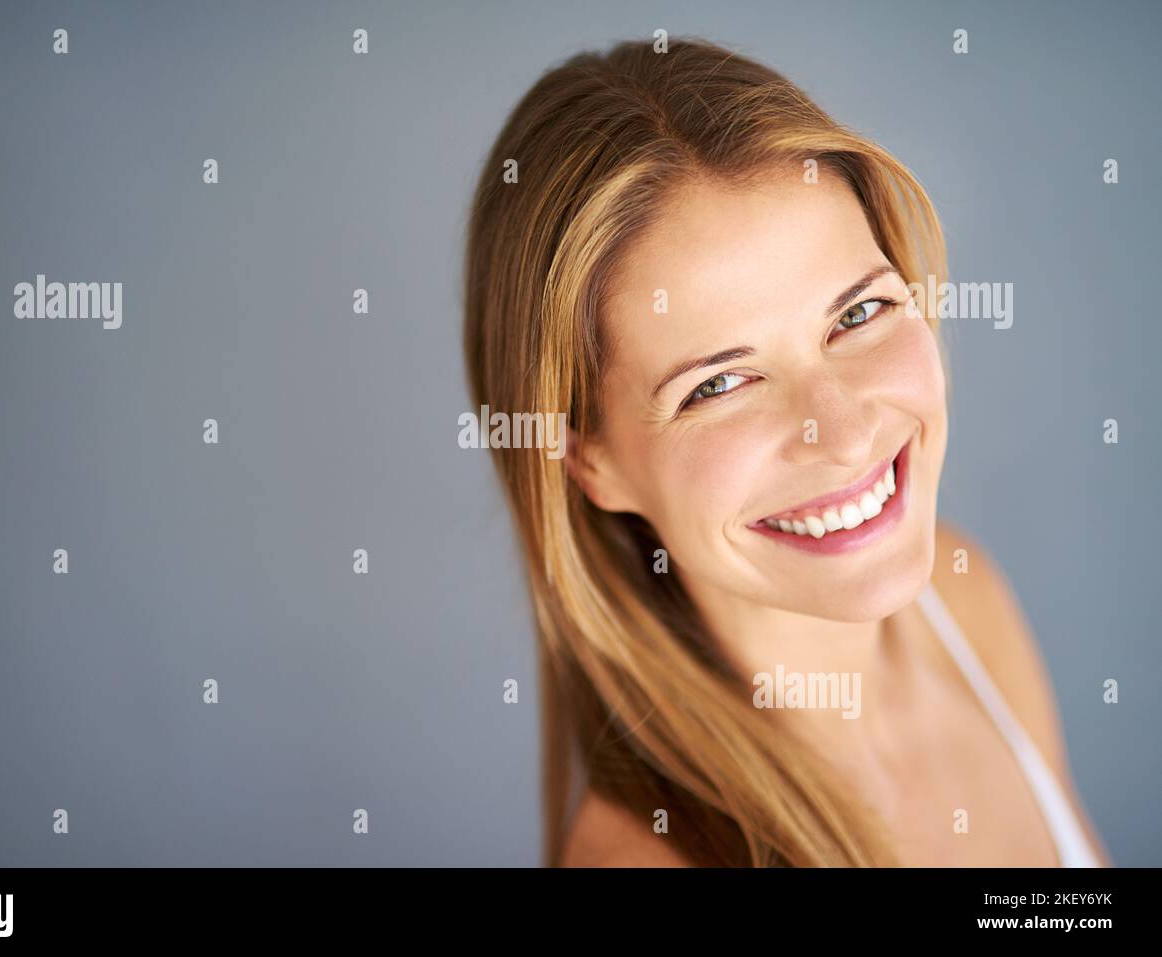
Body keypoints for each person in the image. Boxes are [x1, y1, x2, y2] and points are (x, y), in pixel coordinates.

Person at [461, 36, 1108, 867]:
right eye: (719, 385)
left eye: (857, 314)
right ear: (590, 460)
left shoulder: (968, 607)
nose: (841, 434)